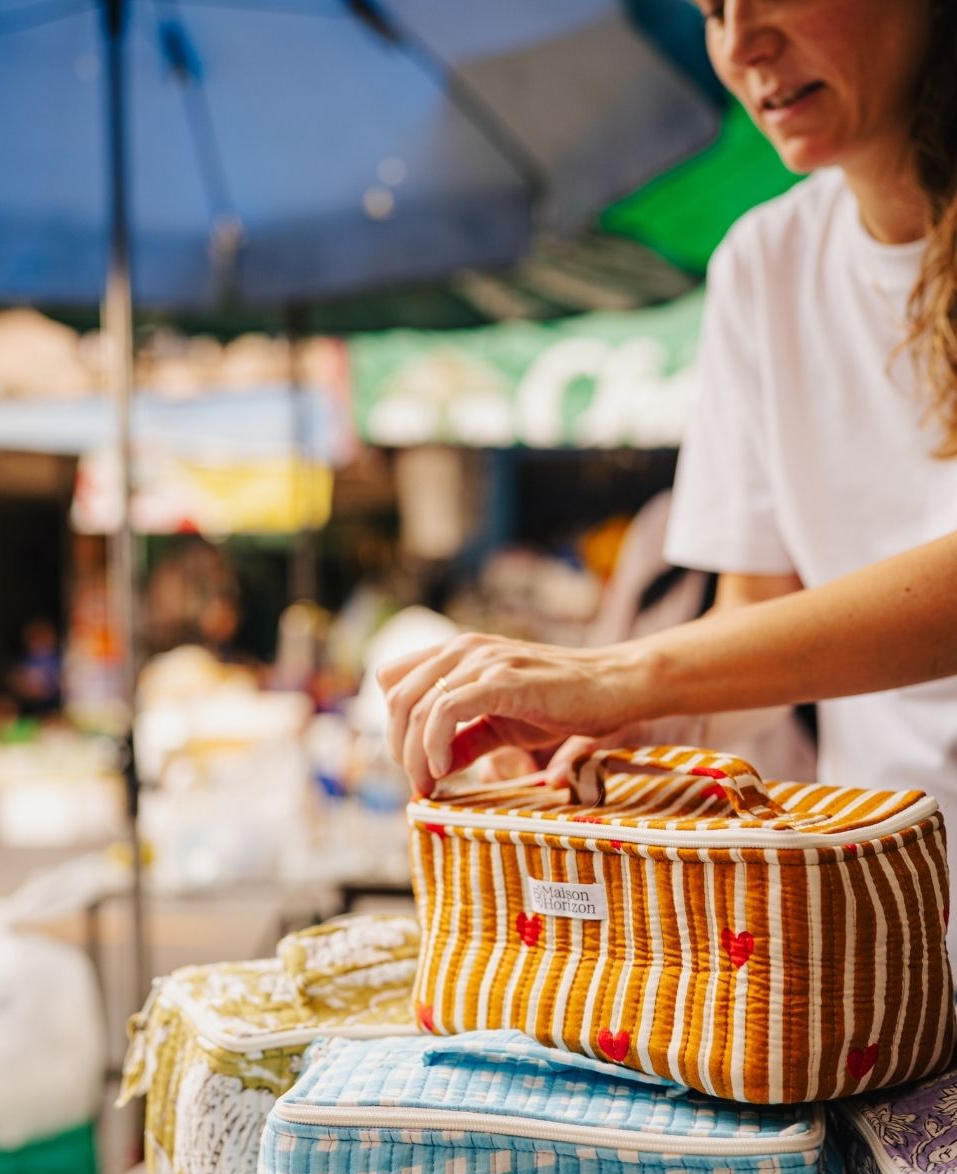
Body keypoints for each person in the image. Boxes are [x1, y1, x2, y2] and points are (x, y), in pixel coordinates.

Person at [380, 0, 957, 969]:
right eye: (714, 9)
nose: (743, 46)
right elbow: (758, 635)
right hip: (895, 943)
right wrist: (615, 733)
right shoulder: (764, 267)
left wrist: (617, 674)